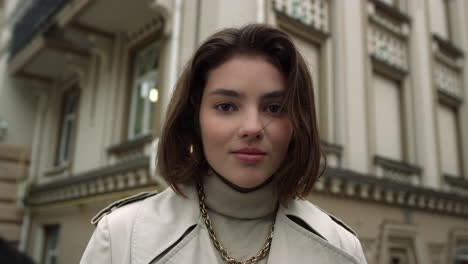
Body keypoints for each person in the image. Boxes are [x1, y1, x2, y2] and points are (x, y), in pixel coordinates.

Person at [80, 24, 367, 264]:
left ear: (297, 124)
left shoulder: (341, 248)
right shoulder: (121, 237)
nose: (252, 128)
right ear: (194, 117)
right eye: (227, 106)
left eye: (274, 108)